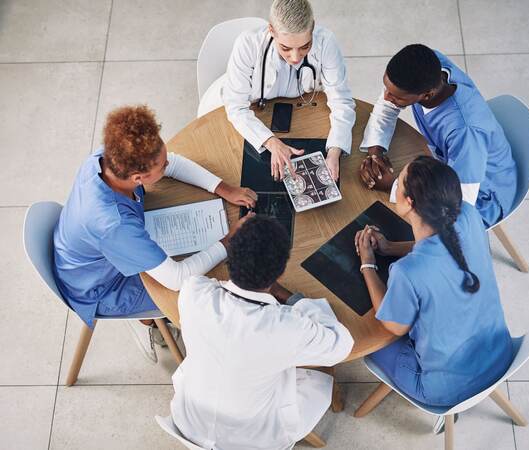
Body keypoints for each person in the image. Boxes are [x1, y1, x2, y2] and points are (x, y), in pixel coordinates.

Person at [53, 105, 257, 363]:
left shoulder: (109, 157)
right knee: (213, 293)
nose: (168, 163)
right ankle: (148, 321)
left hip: (87, 254)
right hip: (100, 288)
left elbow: (173, 163)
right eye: (162, 165)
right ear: (138, 177)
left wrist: (224, 189)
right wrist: (229, 241)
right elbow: (177, 279)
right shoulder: (114, 225)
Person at [170, 216, 354, 449]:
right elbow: (341, 345)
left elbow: (211, 285)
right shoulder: (287, 327)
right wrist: (290, 297)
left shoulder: (193, 292)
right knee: (319, 383)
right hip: (251, 437)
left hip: (189, 417)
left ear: (230, 258)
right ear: (280, 273)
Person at [355, 156, 512, 407]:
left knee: (363, 338)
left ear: (408, 202)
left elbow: (394, 327)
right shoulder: (470, 216)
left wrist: (368, 263)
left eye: (399, 183)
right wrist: (391, 247)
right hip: (500, 355)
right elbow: (445, 248)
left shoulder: (408, 271)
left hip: (444, 389)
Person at [359, 44, 517, 227]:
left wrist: (396, 186)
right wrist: (375, 153)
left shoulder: (464, 132)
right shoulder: (428, 66)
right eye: (386, 88)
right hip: (454, 167)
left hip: (481, 199)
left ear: (427, 95)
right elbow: (387, 106)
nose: (386, 97)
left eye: (397, 97)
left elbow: (458, 205)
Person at [199, 0, 356, 181]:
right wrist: (271, 142)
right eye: (286, 48)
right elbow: (236, 108)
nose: (295, 57)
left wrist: (334, 151)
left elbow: (341, 101)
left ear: (312, 27)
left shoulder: (326, 42)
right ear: (272, 31)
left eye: (305, 46)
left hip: (294, 109)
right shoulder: (248, 43)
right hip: (232, 106)